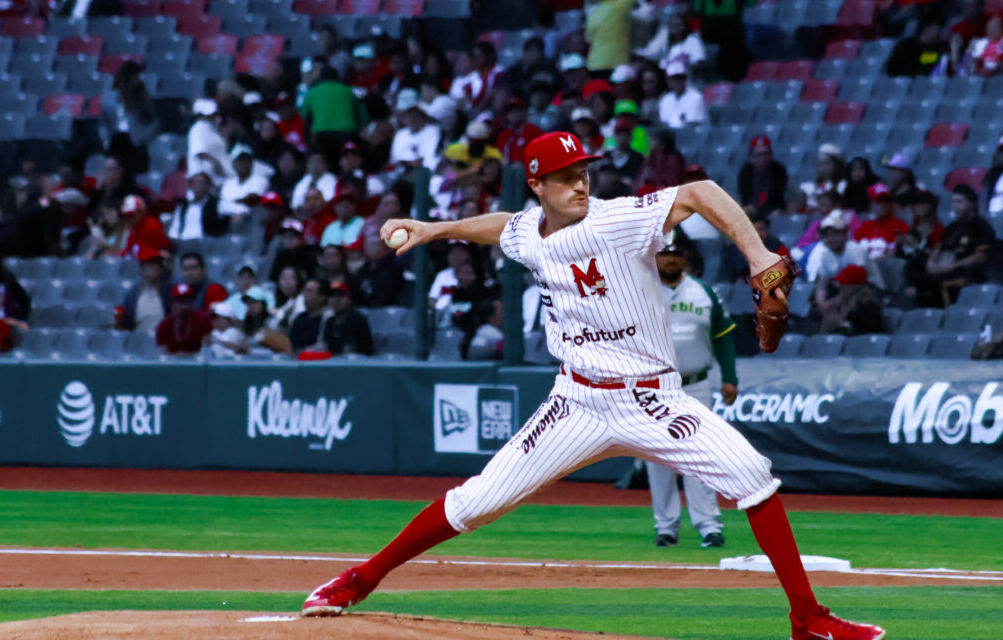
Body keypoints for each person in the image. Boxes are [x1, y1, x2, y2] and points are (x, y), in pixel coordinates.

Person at [303, 131, 886, 640]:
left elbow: (700, 191)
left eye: (582, 171)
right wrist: (436, 229)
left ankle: (808, 620)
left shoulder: (619, 219)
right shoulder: (529, 230)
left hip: (653, 400)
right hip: (575, 403)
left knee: (754, 477)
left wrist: (757, 253)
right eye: (564, 178)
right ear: (537, 185)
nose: (579, 184)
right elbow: (503, 227)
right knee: (476, 502)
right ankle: (360, 578)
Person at [649, 243, 736, 549]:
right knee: (658, 457)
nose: (670, 259)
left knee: (701, 454)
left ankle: (708, 525)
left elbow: (723, 337)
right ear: (654, 257)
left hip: (696, 384)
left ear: (684, 259)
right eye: (664, 254)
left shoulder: (704, 292)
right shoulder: (639, 291)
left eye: (675, 254)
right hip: (653, 387)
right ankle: (666, 526)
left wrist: (730, 378)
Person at [817, 265, 885, 336]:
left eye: (844, 283)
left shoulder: (868, 305)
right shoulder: (844, 302)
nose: (840, 286)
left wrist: (842, 324)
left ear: (854, 286)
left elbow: (871, 335)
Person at [853, 183, 911, 259]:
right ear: (871, 205)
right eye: (878, 201)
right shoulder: (864, 227)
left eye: (886, 201)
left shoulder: (901, 227)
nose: (882, 205)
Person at [167, 172, 227, 242]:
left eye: (202, 183)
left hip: (205, 243)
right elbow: (175, 226)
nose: (199, 186)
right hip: (183, 242)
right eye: (196, 182)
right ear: (191, 186)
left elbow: (237, 208)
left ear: (208, 185)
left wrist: (238, 213)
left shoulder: (217, 203)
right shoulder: (183, 205)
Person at [156, 283, 212, 355]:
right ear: (172, 304)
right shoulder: (164, 326)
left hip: (197, 364)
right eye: (181, 302)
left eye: (188, 301)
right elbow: (162, 354)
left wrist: (187, 355)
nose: (185, 306)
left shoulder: (203, 321)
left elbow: (207, 350)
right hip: (172, 365)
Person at [324, 281, 373, 355]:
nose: (336, 300)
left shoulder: (357, 319)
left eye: (341, 295)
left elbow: (349, 351)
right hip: (335, 362)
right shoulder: (330, 322)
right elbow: (325, 347)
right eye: (332, 296)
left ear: (350, 299)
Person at [657, 61, 706, 130]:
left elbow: (692, 124)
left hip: (691, 137)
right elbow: (663, 123)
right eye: (674, 78)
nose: (677, 81)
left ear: (685, 79)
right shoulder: (665, 99)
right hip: (669, 137)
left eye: (680, 78)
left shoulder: (696, 97)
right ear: (668, 81)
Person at [289, 278, 333, 353]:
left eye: (310, 291)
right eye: (305, 290)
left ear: (321, 297)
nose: (305, 295)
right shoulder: (300, 318)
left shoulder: (329, 318)